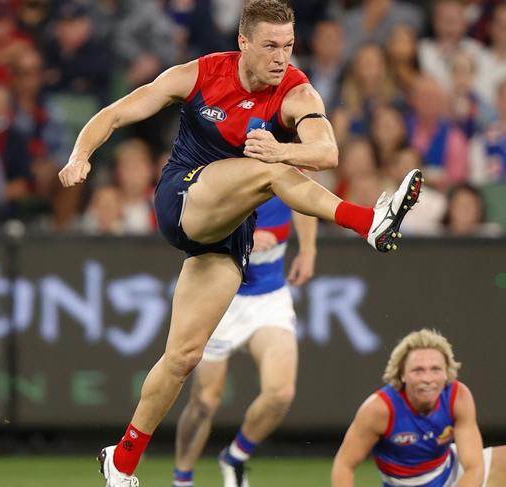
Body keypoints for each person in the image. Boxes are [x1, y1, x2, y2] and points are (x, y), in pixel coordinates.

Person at [58, 1, 423, 486]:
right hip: (183, 197)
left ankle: (121, 460)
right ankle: (367, 222)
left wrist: (284, 148)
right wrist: (81, 154)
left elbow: (327, 150)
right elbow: (117, 112)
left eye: (289, 46)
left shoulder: (294, 89)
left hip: (228, 233)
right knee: (271, 170)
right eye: (270, 45)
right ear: (243, 43)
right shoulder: (201, 74)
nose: (281, 57)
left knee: (183, 357)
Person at [173, 198, 316, 487]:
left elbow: (306, 197)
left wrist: (309, 250)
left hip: (269, 296)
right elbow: (188, 227)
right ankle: (182, 479)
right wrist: (243, 238)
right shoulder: (221, 163)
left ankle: (235, 457)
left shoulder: (284, 162)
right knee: (204, 402)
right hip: (219, 296)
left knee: (280, 393)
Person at [331, 329, 506, 487]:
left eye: (435, 369)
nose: (428, 378)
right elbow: (344, 465)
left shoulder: (457, 396)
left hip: (452, 472)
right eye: (418, 370)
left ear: (446, 372)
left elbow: (474, 466)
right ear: (402, 375)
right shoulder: (380, 409)